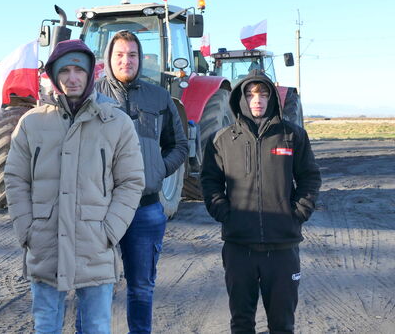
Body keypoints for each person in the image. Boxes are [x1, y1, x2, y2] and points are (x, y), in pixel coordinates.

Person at [5, 39, 145, 334]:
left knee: (96, 326)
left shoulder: (116, 122)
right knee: (46, 326)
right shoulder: (32, 123)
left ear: (90, 73)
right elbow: (16, 179)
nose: (72, 77)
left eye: (79, 70)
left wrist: (109, 231)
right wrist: (27, 229)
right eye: (64, 71)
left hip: (94, 245)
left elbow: (131, 182)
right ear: (54, 76)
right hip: (45, 244)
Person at [200, 70, 321, 334]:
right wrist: (224, 212)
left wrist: (297, 212)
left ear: (272, 98)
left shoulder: (292, 136)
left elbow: (310, 177)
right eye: (251, 94)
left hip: (282, 247)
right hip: (239, 247)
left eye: (263, 94)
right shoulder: (222, 140)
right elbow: (209, 181)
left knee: (282, 324)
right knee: (241, 323)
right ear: (241, 98)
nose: (257, 100)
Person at [95, 30, 188, 333]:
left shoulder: (159, 97)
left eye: (132, 55)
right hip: (100, 209)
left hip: (144, 209)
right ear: (109, 58)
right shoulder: (92, 96)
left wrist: (158, 169)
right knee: (94, 287)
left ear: (141, 58)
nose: (126, 60)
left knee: (141, 287)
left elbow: (179, 145)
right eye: (120, 55)